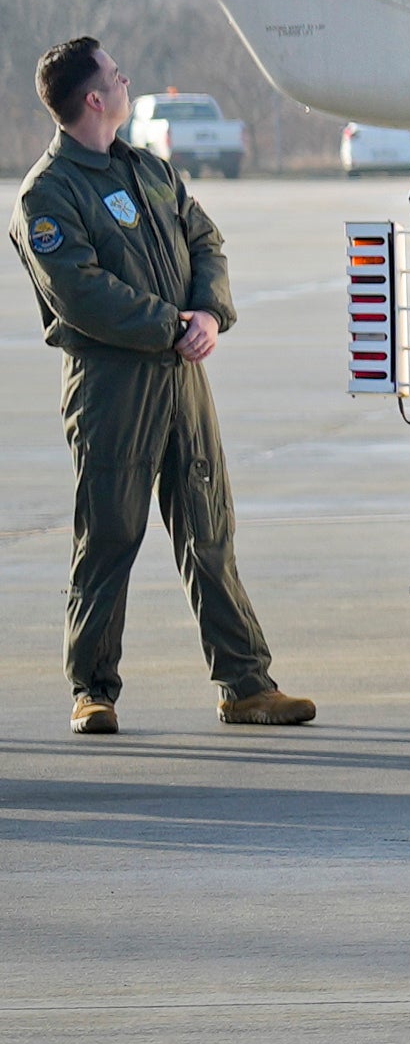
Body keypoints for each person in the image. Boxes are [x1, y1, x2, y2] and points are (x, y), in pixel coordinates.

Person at [27, 38, 304, 733]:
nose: (126, 79)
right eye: (116, 74)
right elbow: (80, 292)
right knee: (110, 535)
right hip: (113, 386)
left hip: (181, 376)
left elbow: (205, 239)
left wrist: (208, 312)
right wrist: (169, 323)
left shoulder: (149, 168)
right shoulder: (50, 192)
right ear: (93, 98)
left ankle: (246, 684)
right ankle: (93, 689)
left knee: (208, 528)